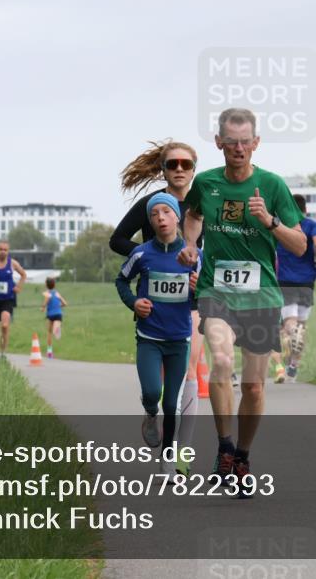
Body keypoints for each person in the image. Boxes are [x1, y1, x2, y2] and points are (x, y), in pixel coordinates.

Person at [177, 107, 305, 496]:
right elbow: (194, 216)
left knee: (253, 387)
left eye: (245, 141)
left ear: (256, 143)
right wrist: (189, 245)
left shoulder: (273, 186)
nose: (238, 148)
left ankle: (244, 458)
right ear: (219, 143)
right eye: (230, 141)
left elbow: (299, 246)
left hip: (261, 296)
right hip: (216, 290)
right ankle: (225, 448)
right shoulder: (206, 183)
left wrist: (270, 221)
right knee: (219, 359)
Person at [112, 139, 206, 473]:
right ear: (163, 169)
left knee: (191, 368)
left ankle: (181, 452)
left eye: (186, 164)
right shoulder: (151, 204)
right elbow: (117, 240)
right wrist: (151, 260)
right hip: (155, 306)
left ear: (194, 169)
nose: (179, 170)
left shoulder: (204, 202)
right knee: (158, 386)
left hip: (193, 299)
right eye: (172, 164)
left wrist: (200, 270)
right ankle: (155, 415)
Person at [274, 194, 316, 383]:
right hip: (307, 281)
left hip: (285, 280)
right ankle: (294, 366)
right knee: (301, 326)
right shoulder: (311, 225)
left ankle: (290, 336)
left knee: (289, 323)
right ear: (305, 209)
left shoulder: (280, 226)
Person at [40, 278, 68, 359]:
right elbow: (65, 303)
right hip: (58, 314)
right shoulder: (57, 293)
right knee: (57, 325)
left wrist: (42, 308)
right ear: (54, 285)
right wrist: (59, 306)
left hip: (50, 315)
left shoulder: (47, 293)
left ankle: (49, 353)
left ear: (46, 285)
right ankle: (57, 328)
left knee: (49, 333)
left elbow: (46, 301)